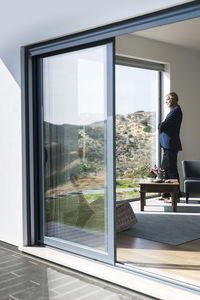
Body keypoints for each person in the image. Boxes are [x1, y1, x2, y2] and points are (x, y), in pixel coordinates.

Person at [158, 92, 183, 203]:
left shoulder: (176, 112)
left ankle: (175, 196)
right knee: (165, 169)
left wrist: (162, 123)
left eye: (168, 100)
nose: (166, 102)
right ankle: (166, 194)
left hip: (171, 145)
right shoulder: (173, 112)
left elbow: (163, 126)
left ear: (173, 100)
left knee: (172, 169)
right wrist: (163, 123)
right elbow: (164, 126)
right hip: (166, 145)